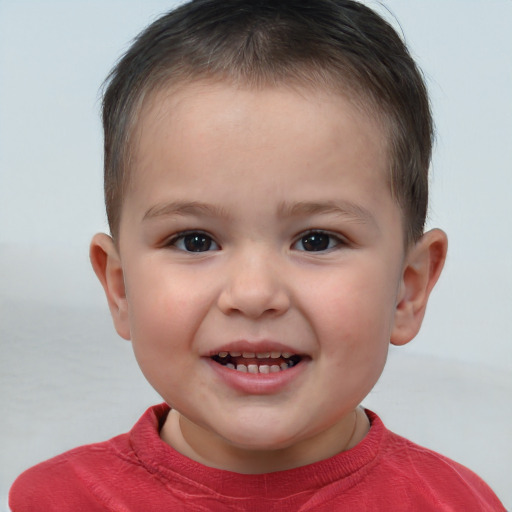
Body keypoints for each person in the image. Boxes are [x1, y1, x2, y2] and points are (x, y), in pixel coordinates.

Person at [8, 0, 506, 510]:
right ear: (120, 288)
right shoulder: (53, 501)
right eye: (194, 240)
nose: (253, 293)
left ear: (408, 288)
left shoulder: (458, 504)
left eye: (317, 240)